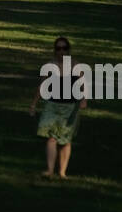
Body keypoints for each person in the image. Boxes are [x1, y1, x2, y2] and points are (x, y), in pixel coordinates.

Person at [28, 36, 87, 178]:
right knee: (51, 138)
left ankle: (62, 172)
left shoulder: (76, 66)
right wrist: (33, 104)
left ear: (68, 50)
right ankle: (50, 170)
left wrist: (84, 100)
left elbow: (83, 85)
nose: (61, 51)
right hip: (52, 106)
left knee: (65, 140)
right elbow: (42, 86)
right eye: (58, 48)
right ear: (55, 50)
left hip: (70, 107)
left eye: (64, 48)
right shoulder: (50, 66)